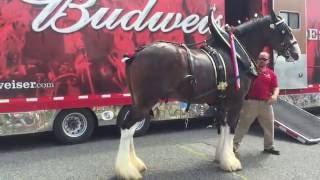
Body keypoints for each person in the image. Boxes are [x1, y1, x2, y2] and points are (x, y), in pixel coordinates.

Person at [233, 51, 280, 156]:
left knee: (269, 126)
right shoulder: (250, 71)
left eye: (264, 59)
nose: (262, 61)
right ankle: (234, 146)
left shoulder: (271, 73)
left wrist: (275, 95)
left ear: (268, 61)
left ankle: (269, 147)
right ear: (257, 59)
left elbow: (276, 87)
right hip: (251, 103)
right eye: (260, 58)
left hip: (266, 104)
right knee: (242, 125)